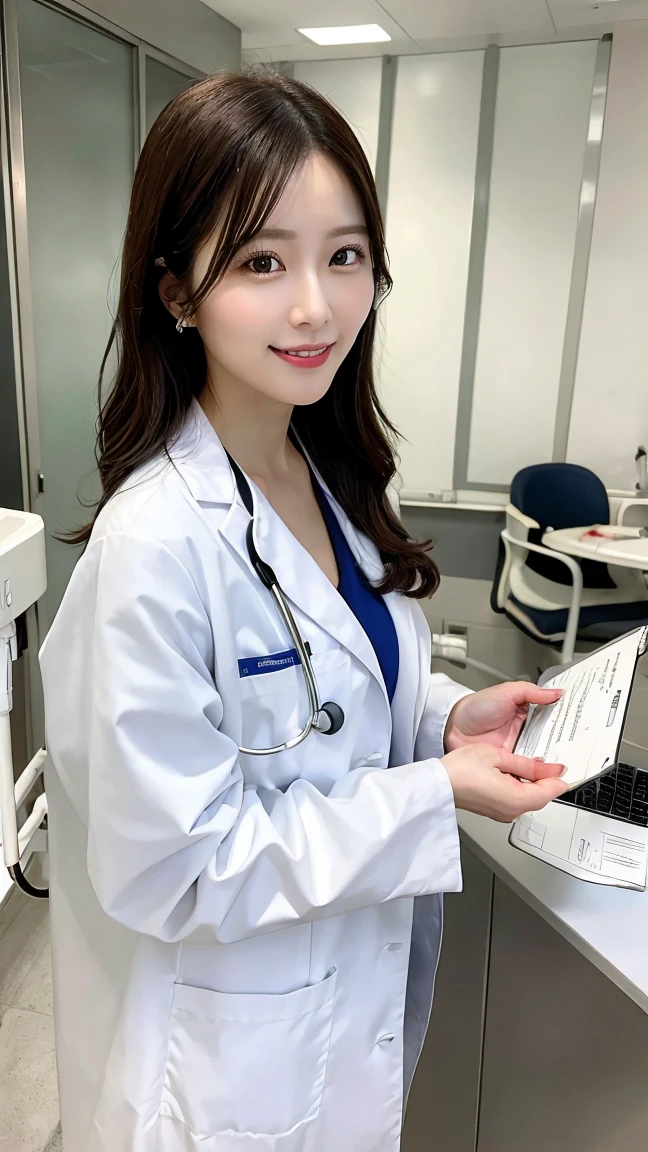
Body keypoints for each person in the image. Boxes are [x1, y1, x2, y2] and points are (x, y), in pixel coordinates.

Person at [39, 71, 568, 1152]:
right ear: (175, 289)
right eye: (261, 261)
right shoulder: (157, 546)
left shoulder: (322, 470)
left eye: (346, 255)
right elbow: (177, 866)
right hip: (223, 1075)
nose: (317, 305)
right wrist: (431, 796)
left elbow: (332, 695)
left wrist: (438, 723)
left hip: (330, 1030)